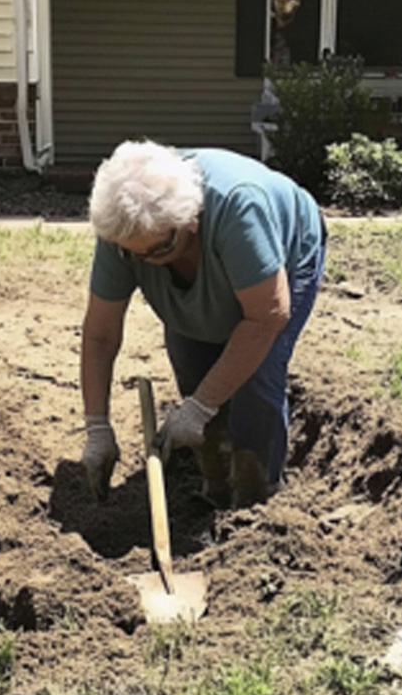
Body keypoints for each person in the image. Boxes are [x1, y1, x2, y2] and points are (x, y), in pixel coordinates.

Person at [79, 139, 326, 509]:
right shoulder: (125, 232)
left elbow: (266, 316)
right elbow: (100, 334)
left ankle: (255, 499)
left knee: (255, 382)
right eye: (135, 255)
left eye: (159, 250)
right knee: (194, 366)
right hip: (204, 259)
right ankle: (215, 486)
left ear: (191, 219)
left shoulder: (238, 206)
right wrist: (97, 427)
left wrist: (200, 406)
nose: (147, 263)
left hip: (283, 257)